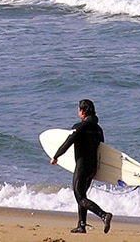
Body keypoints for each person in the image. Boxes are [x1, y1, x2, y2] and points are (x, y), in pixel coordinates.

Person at [50, 99, 113, 234]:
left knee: (80, 197)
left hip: (82, 165)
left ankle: (103, 215)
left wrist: (56, 156)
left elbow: (68, 142)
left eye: (79, 109)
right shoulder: (98, 130)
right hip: (93, 167)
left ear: (83, 111)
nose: (78, 112)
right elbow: (102, 149)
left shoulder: (79, 126)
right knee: (83, 195)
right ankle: (81, 225)